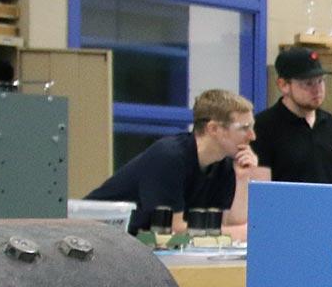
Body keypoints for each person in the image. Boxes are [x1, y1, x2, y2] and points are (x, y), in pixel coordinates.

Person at [86, 88, 259, 239]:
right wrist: (236, 233)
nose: (252, 136)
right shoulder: (169, 157)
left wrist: (243, 178)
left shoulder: (223, 164)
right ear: (213, 129)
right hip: (94, 237)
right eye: (244, 128)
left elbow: (231, 222)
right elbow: (172, 231)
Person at [252, 46, 332, 186]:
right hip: (289, 207)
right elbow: (261, 187)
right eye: (308, 83)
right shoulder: (263, 127)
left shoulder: (331, 124)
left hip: (330, 207)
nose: (317, 90)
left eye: (320, 81)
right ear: (283, 85)